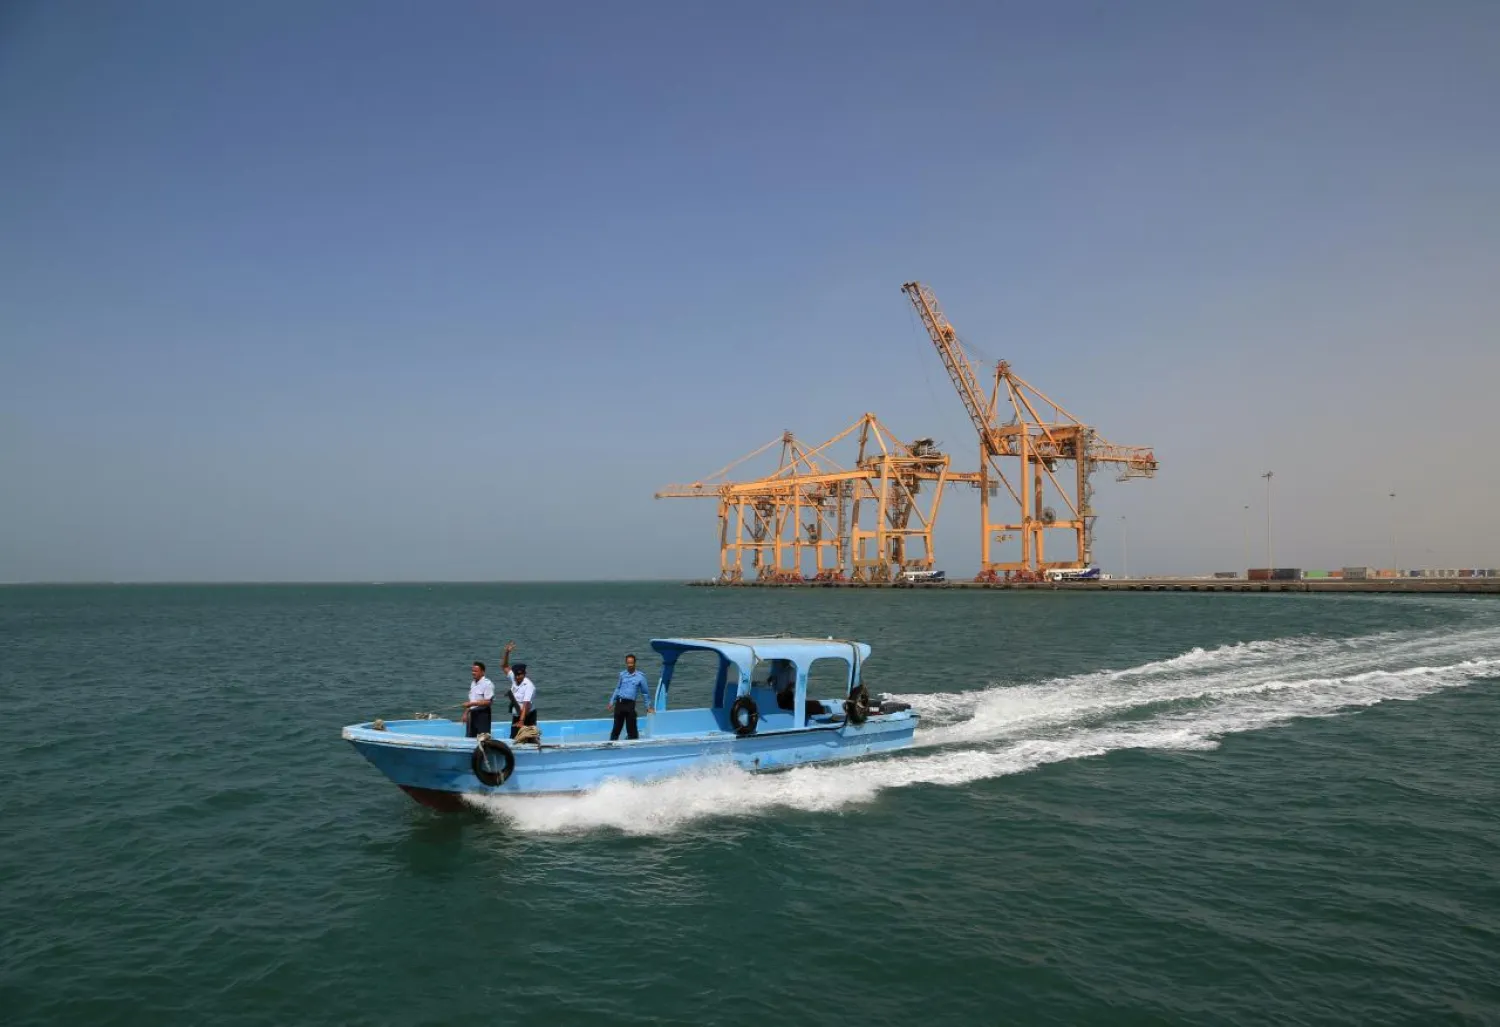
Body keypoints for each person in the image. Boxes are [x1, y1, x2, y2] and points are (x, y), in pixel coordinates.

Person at [607, 653, 652, 741]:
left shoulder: (640, 677)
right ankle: (612, 745)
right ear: (626, 663)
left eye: (631, 663)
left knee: (632, 729)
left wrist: (648, 707)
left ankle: (633, 746)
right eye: (628, 663)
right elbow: (617, 688)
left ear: (635, 663)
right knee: (616, 728)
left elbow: (645, 693)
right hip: (620, 703)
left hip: (630, 704)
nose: (630, 665)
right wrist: (611, 701)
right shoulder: (622, 675)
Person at [501, 642, 538, 740]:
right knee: (513, 739)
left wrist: (521, 721)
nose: (517, 677)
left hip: (528, 716)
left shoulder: (529, 686)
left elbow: (526, 704)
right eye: (516, 675)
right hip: (517, 715)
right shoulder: (514, 678)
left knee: (528, 739)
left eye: (520, 675)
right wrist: (506, 653)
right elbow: (504, 666)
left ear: (524, 674)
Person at [462, 661, 494, 738]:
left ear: (482, 672)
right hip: (472, 714)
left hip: (482, 714)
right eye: (472, 671)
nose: (473, 673)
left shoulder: (487, 684)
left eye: (475, 671)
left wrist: (472, 704)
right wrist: (465, 713)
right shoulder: (473, 683)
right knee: (470, 736)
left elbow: (488, 702)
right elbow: (471, 700)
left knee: (482, 738)